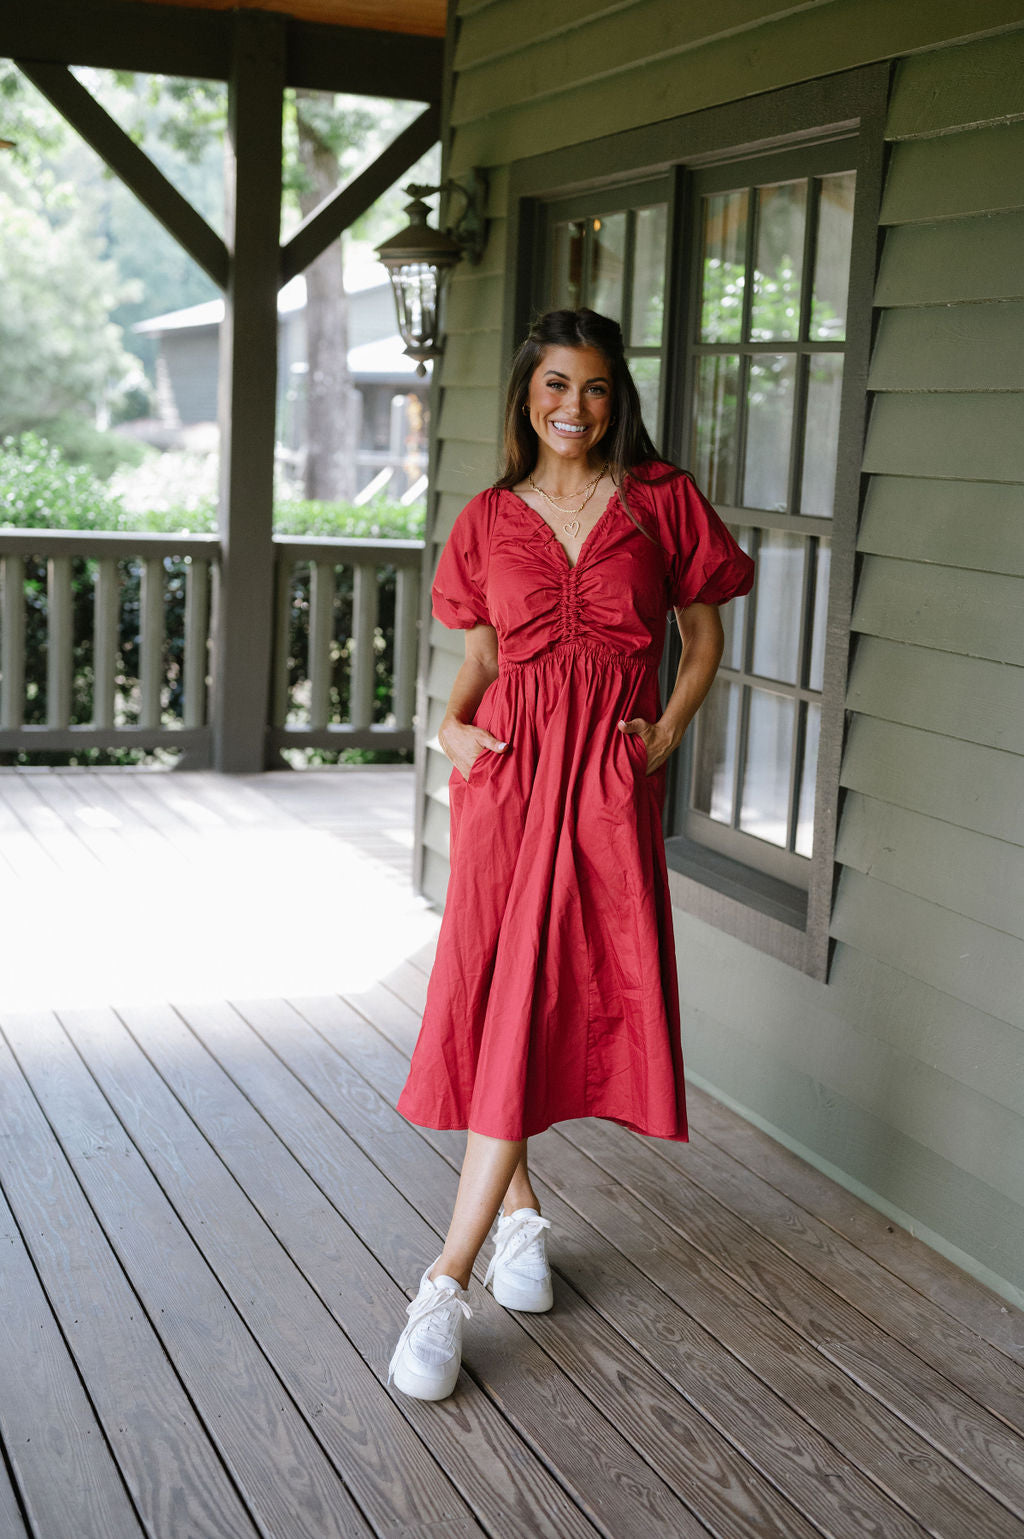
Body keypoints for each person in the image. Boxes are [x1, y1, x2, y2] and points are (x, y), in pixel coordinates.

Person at [388, 308, 754, 1401]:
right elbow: (480, 654)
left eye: (593, 389)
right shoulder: (490, 516)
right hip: (503, 778)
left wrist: (668, 732)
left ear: (616, 397)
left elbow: (702, 633)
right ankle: (501, 1237)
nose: (573, 408)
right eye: (554, 385)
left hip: (603, 779)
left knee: (553, 987)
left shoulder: (661, 501)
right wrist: (451, 726)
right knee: (508, 987)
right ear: (525, 394)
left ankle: (453, 1270)